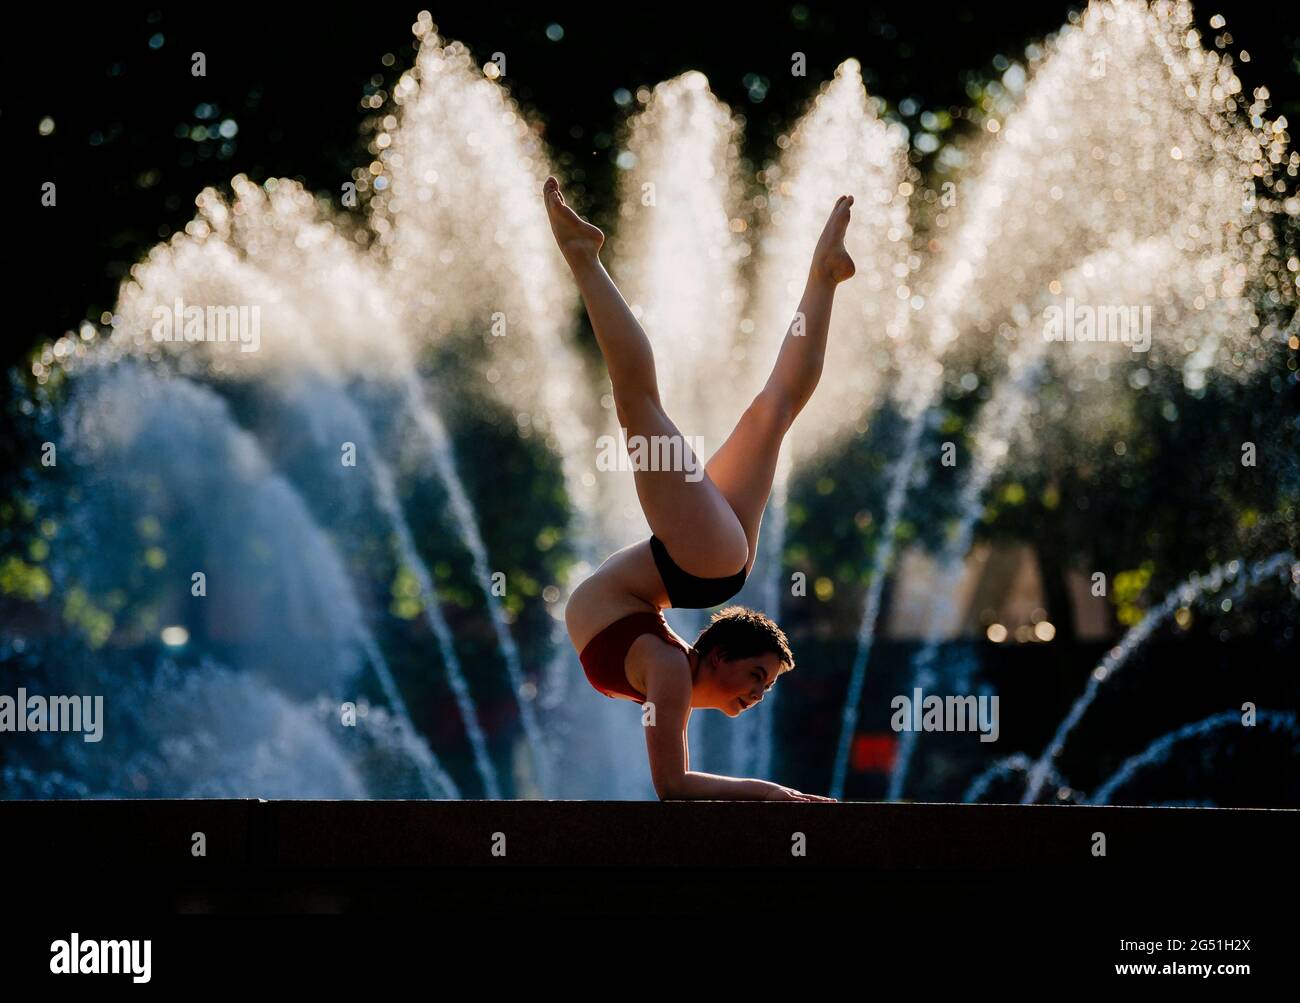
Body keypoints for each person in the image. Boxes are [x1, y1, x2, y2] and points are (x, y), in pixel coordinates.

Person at [546, 175, 853, 802]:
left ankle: (822, 277)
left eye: (758, 678)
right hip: (701, 560)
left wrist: (772, 796)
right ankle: (818, 276)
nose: (757, 692)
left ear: (716, 657)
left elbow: (673, 786)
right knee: (671, 407)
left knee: (763, 408)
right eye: (761, 679)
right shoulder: (669, 667)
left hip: (708, 563)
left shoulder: (667, 670)